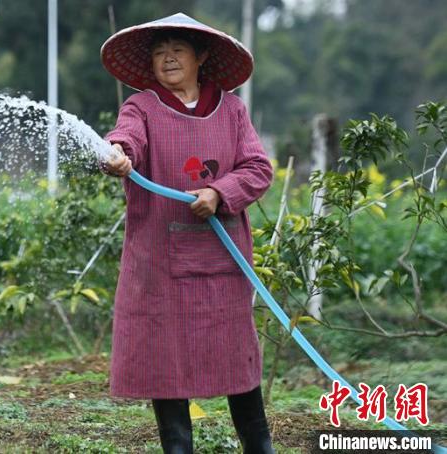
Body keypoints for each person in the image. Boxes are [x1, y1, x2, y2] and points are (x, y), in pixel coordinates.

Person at [99, 13, 275, 454]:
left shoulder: (232, 109)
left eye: (177, 49)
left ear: (201, 56)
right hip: (158, 263)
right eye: (159, 52)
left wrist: (219, 192)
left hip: (222, 258)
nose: (168, 58)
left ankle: (261, 446)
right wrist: (118, 153)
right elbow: (127, 138)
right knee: (166, 362)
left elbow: (257, 169)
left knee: (237, 358)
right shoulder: (141, 107)